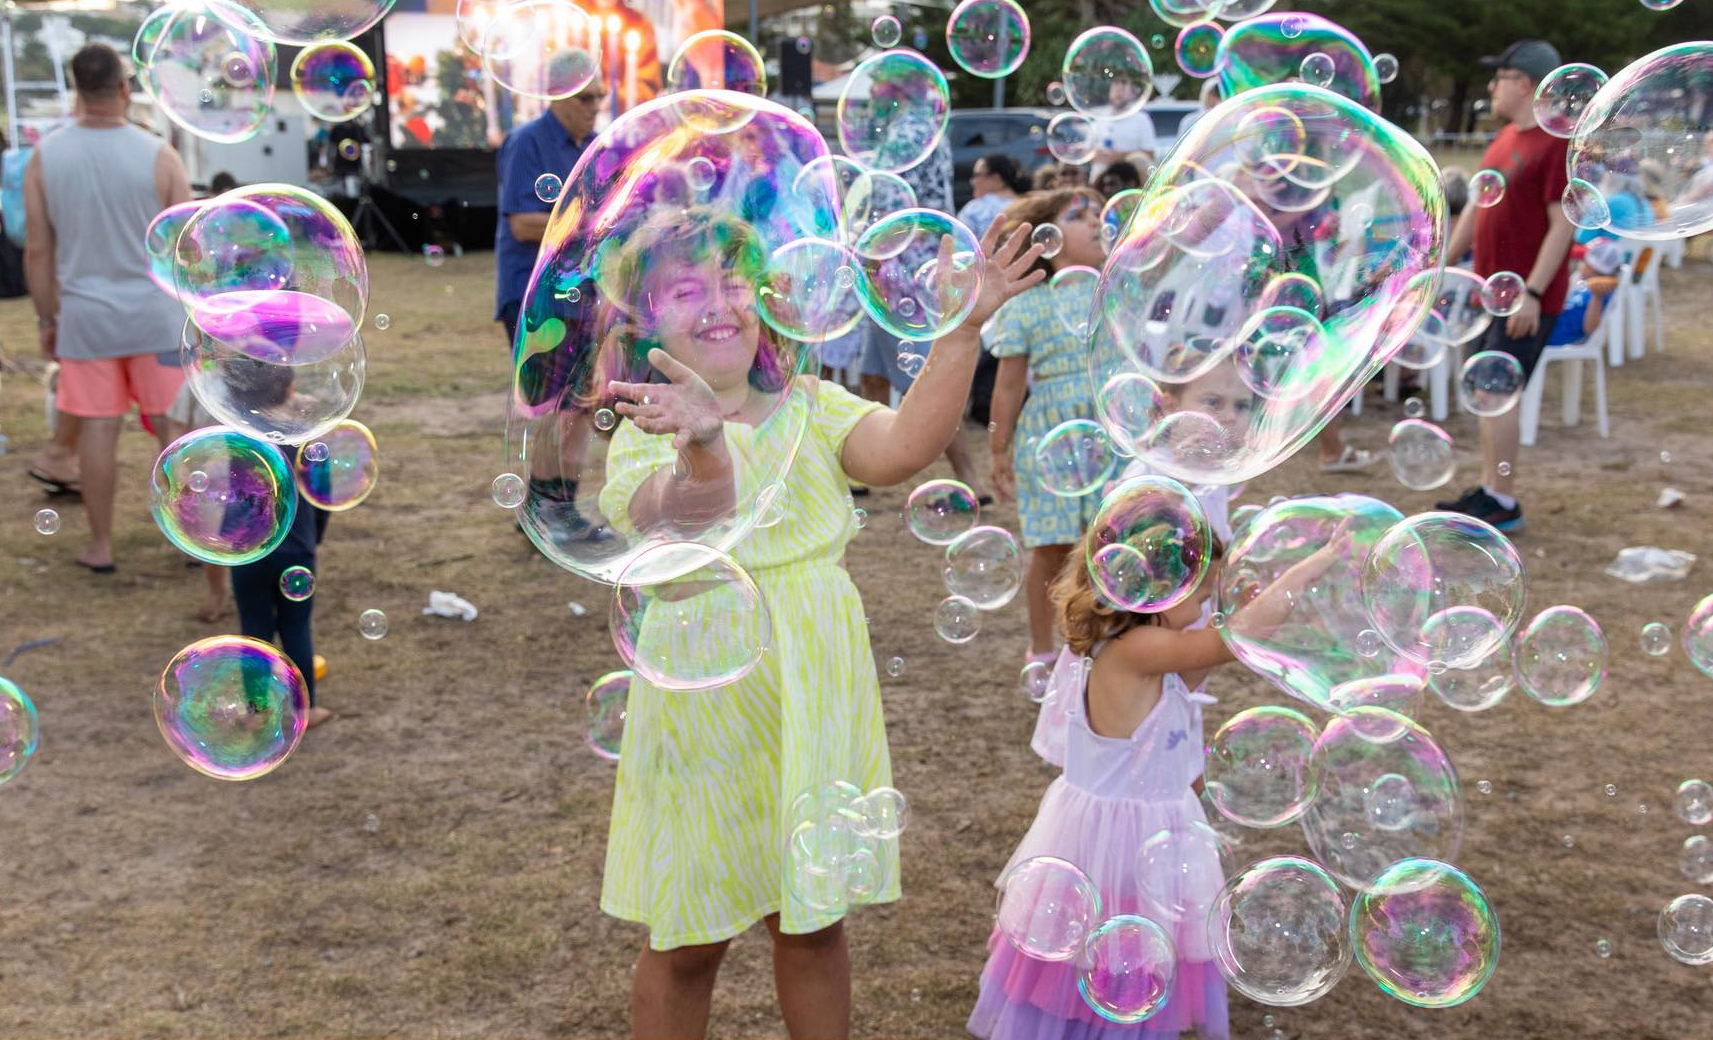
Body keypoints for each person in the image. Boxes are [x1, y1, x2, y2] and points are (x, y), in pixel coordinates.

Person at [594, 207, 1045, 1039]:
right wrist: (704, 444)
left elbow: (901, 448)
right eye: (685, 290)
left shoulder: (810, 404)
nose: (717, 302)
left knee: (812, 923)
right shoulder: (649, 428)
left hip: (812, 683)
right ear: (643, 327)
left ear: (765, 299)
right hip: (705, 696)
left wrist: (960, 331)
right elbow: (684, 516)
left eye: (733, 281)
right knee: (688, 936)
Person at [967, 518, 1349, 1040]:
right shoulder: (1136, 649)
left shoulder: (1145, 651)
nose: (1209, 605)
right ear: (1163, 590)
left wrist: (1248, 612)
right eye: (1203, 593)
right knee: (1116, 954)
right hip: (1119, 840)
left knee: (1126, 955)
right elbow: (1229, 643)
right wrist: (1314, 564)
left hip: (1143, 829)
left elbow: (1210, 660)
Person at [24, 43, 192, 572]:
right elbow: (190, 244)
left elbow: (37, 249)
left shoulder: (45, 157)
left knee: (98, 429)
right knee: (172, 428)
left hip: (86, 318)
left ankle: (101, 546)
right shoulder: (160, 154)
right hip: (156, 316)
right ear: (123, 88)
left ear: (77, 91)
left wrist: (48, 318)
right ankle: (195, 539)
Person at [1439, 40, 1575, 533]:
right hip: (1489, 293)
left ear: (1525, 83)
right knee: (1485, 391)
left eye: (1500, 77)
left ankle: (1504, 499)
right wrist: (1442, 267)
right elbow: (1476, 211)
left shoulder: (1556, 144)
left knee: (1498, 392)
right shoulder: (1503, 139)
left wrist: (1532, 293)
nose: (1492, 86)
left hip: (1524, 299)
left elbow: (1563, 225)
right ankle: (1490, 490)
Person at [987, 188, 1107, 667]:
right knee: (1050, 545)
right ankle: (1041, 650)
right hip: (1049, 434)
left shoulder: (1114, 290)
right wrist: (999, 448)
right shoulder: (1027, 302)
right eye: (1079, 215)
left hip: (1107, 427)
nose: (1095, 221)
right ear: (1047, 238)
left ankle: (1102, 642)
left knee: (1107, 540)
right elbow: (1008, 385)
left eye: (1098, 213)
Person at [495, 76, 610, 538]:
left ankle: (563, 508)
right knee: (550, 405)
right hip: (536, 296)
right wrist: (590, 222)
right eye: (585, 97)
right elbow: (522, 223)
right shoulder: (528, 142)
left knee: (580, 406)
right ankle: (543, 513)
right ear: (559, 96)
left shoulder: (597, 148)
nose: (594, 105)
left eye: (599, 96)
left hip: (584, 295)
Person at [859, 135, 990, 501]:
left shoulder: (908, 134)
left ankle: (970, 478)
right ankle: (862, 469)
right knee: (872, 376)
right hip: (892, 277)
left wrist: (871, 256)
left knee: (925, 381)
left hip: (902, 281)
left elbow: (892, 217)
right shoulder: (922, 131)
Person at [1090, 79, 1156, 182]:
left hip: (1129, 181)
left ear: (1132, 93)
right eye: (1115, 88)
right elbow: (1086, 150)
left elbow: (1149, 153)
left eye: (1123, 88)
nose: (1118, 93)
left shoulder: (1141, 119)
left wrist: (1118, 157)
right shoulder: (1100, 118)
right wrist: (1095, 155)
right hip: (1099, 181)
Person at [957, 153, 1027, 239]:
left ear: (996, 178)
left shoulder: (974, 209)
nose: (972, 181)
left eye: (976, 175)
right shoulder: (1029, 205)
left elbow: (960, 242)